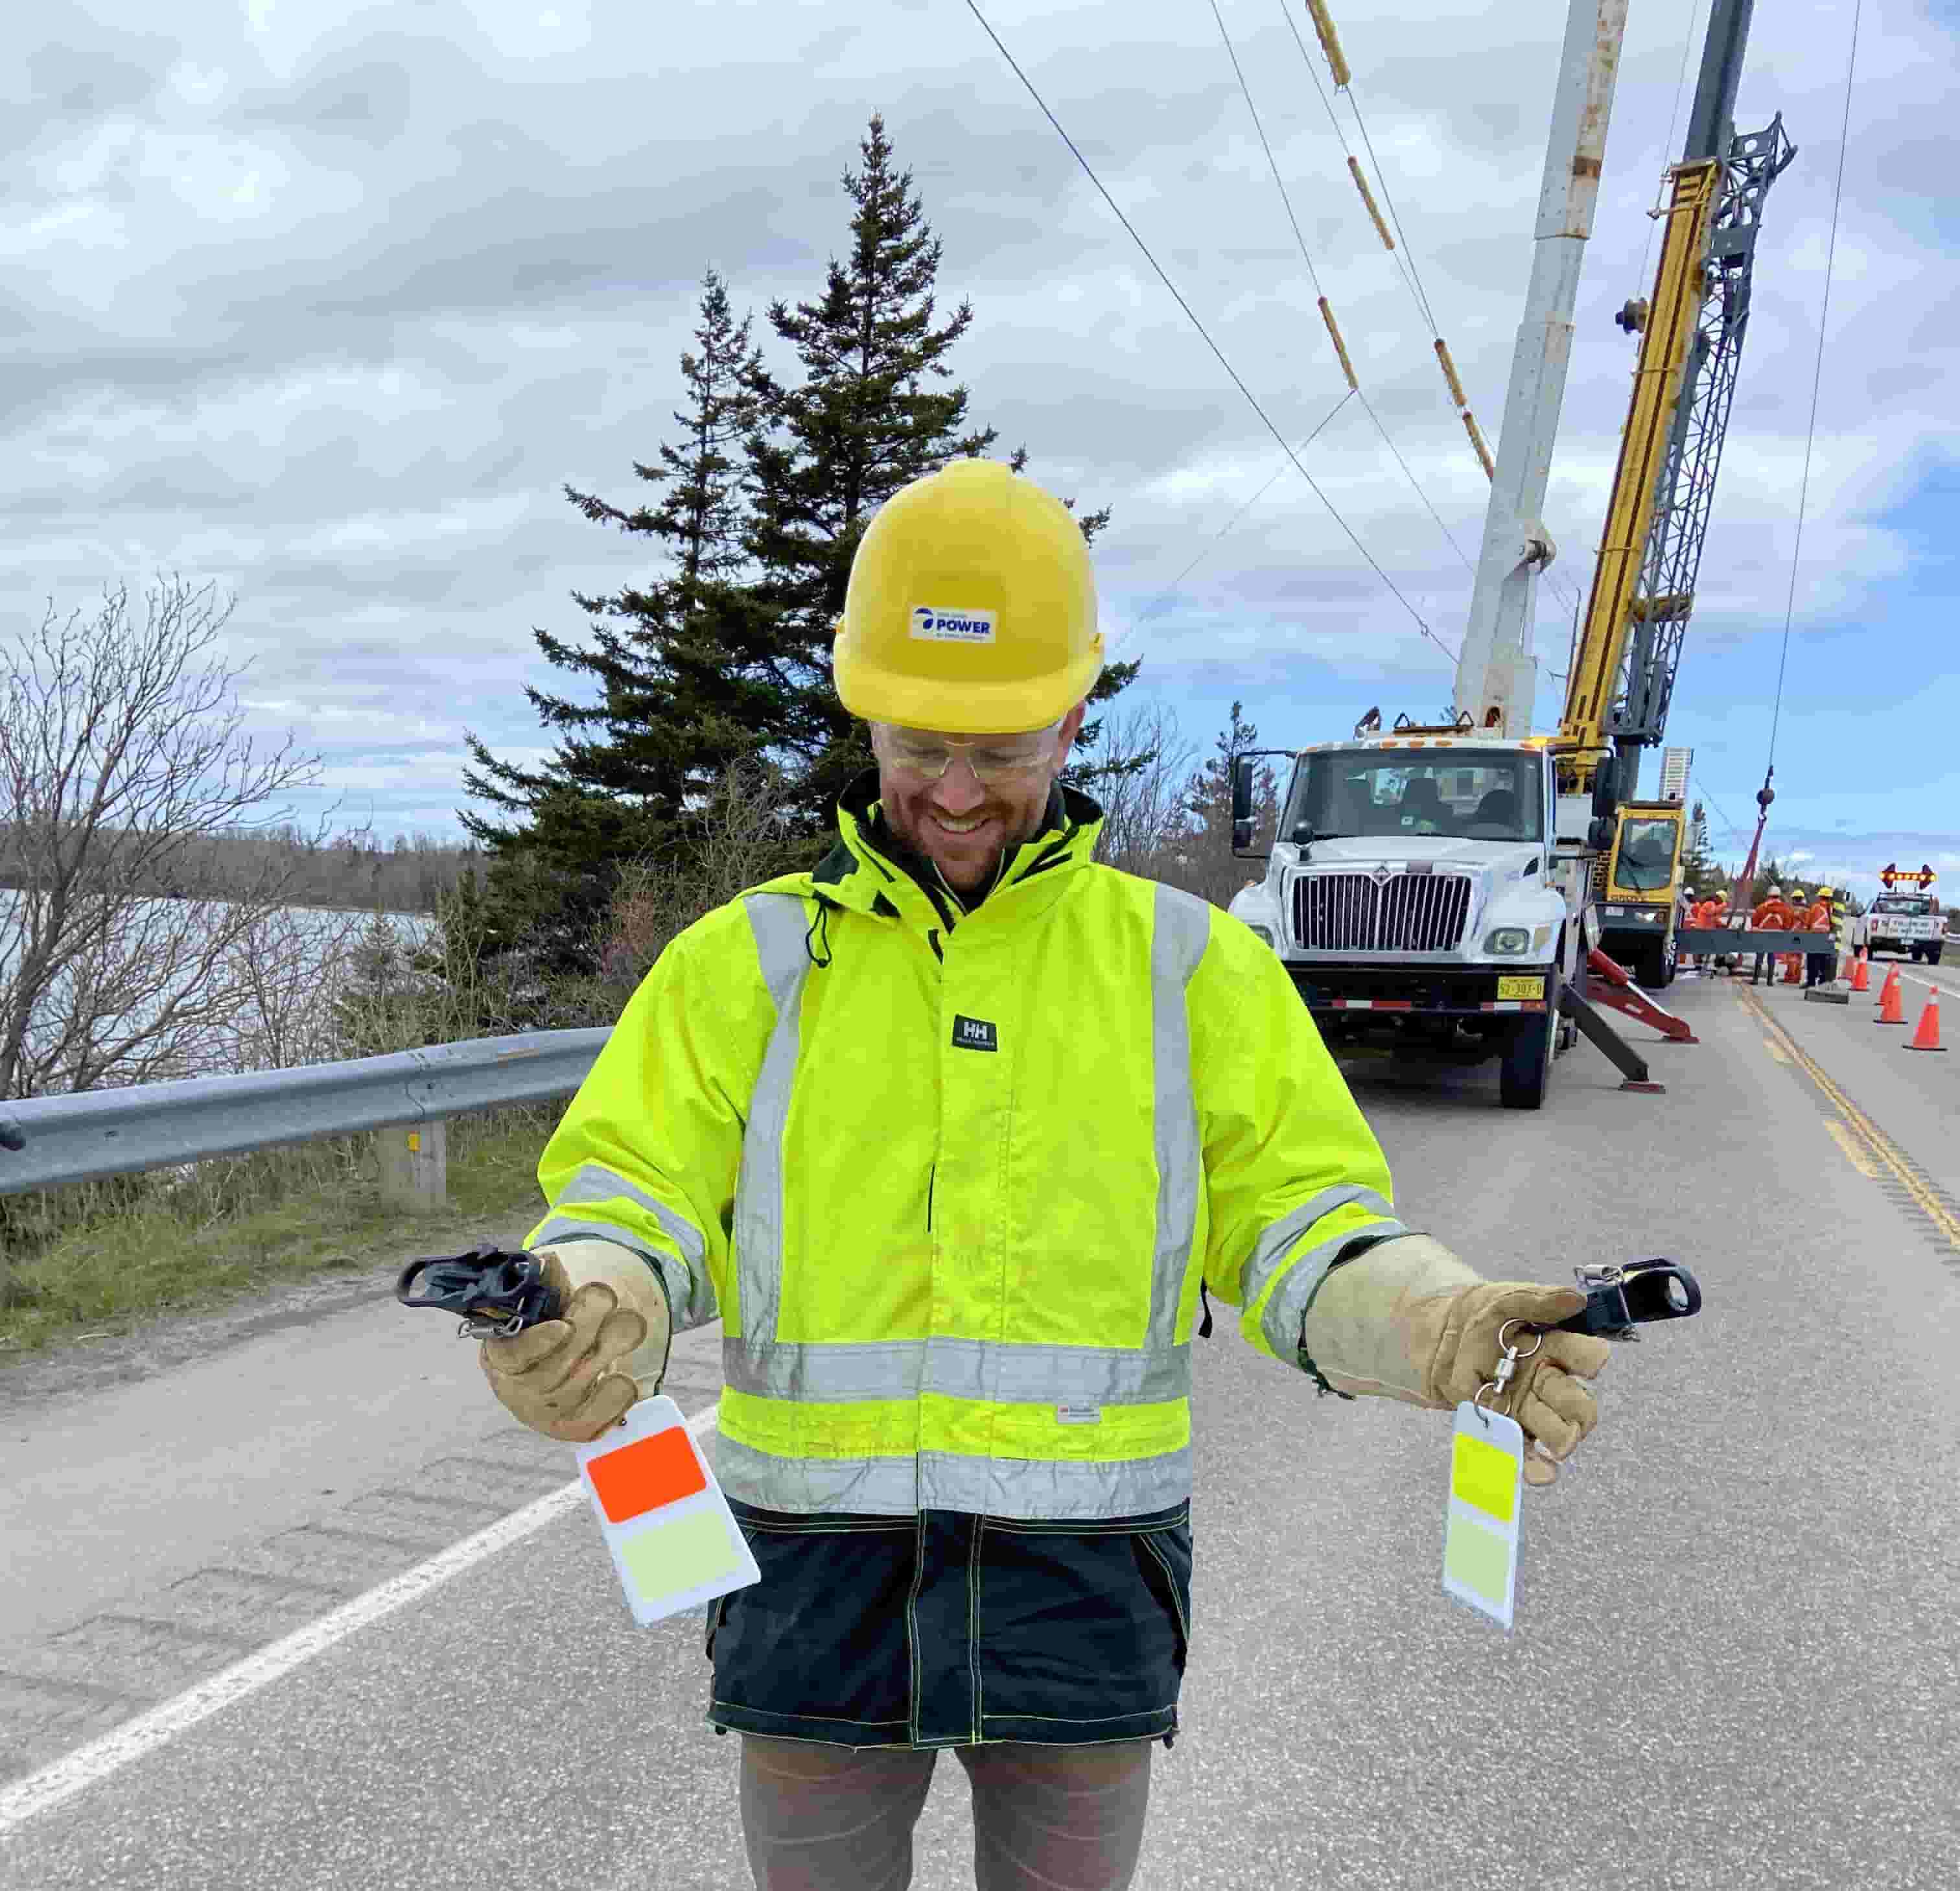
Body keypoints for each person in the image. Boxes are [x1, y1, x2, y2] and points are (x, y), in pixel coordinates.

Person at [472, 459, 1614, 1891]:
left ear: (1073, 717)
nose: (956, 792)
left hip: (1083, 1576)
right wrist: (584, 1304)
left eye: (1003, 747)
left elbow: (1304, 1234)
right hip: (815, 1576)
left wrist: (1448, 1323)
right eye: (921, 742)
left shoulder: (1191, 971)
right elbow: (634, 1200)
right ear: (866, 710)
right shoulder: (744, 965)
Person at [1803, 890, 1838, 988]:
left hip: (1814, 936)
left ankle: (1811, 982)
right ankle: (1822, 982)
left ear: (1820, 897)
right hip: (1826, 937)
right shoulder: (1831, 909)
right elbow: (1834, 925)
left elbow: (1808, 922)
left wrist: (1807, 931)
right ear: (1829, 898)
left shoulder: (1815, 907)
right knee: (1823, 961)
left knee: (1812, 960)